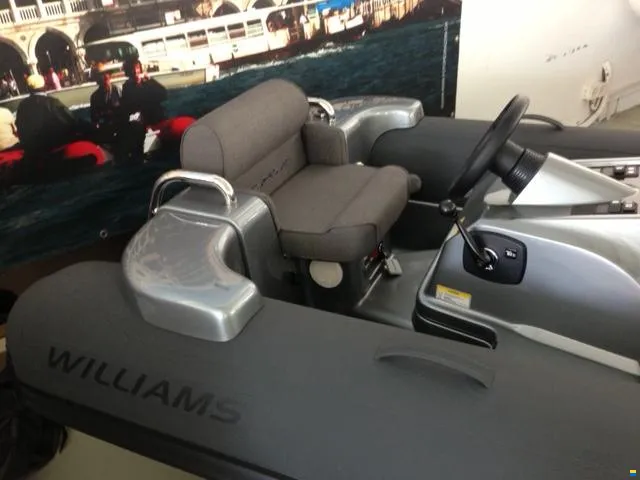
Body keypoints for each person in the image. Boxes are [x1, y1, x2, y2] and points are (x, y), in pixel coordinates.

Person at [15, 74, 92, 163]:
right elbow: (69, 121)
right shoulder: (51, 102)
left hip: (32, 151)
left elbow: (19, 126)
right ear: (44, 86)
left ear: (28, 88)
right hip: (54, 149)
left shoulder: (22, 105)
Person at [121, 58, 168, 128]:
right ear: (128, 71)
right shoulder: (127, 87)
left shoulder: (148, 81)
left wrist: (150, 80)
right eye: (132, 69)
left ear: (140, 69)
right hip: (143, 121)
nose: (135, 71)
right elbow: (128, 107)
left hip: (157, 117)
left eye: (137, 68)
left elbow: (164, 94)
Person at [89, 68, 121, 144]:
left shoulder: (117, 90)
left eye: (106, 76)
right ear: (97, 81)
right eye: (100, 76)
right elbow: (94, 117)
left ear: (109, 77)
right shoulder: (94, 97)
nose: (104, 78)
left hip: (120, 127)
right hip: (105, 129)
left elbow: (125, 110)